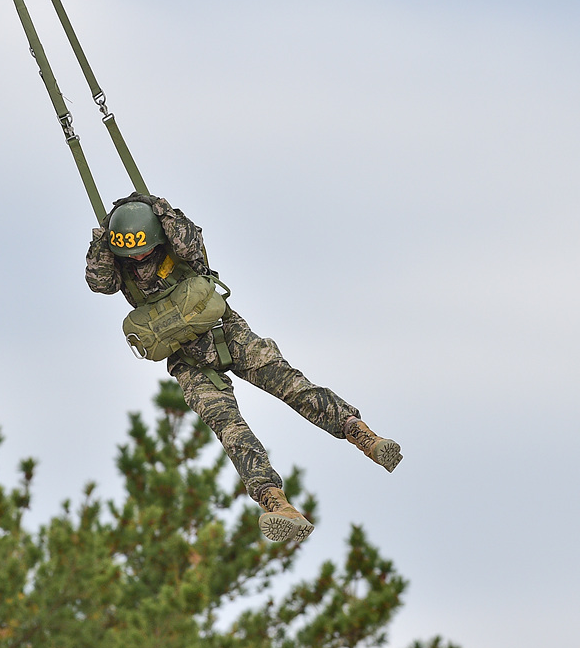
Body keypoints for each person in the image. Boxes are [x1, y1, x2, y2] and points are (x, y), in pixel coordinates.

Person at [86, 193, 402, 542]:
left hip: (228, 333)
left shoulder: (177, 244)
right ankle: (275, 502)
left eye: (144, 248)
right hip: (189, 362)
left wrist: (161, 210)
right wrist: (103, 239)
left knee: (290, 384)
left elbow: (192, 245)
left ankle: (360, 433)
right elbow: (99, 282)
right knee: (231, 430)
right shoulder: (120, 266)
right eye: (130, 253)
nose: (139, 257)